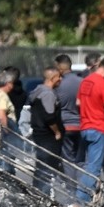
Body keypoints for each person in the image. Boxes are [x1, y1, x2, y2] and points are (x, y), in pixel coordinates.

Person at [76, 56, 104, 205]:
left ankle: (80, 198)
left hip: (85, 126)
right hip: (98, 128)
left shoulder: (85, 81)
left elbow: (78, 102)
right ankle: (80, 200)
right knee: (93, 168)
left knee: (87, 165)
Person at [29, 67, 64, 195]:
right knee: (47, 166)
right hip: (47, 136)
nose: (60, 79)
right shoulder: (48, 94)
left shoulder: (37, 91)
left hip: (39, 134)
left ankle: (37, 192)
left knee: (41, 165)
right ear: (52, 78)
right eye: (59, 77)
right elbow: (49, 116)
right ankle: (43, 193)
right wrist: (57, 132)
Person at [55, 54, 84, 177]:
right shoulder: (82, 82)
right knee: (81, 158)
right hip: (81, 124)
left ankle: (71, 188)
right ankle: (83, 187)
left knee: (68, 159)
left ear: (60, 68)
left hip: (65, 124)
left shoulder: (58, 84)